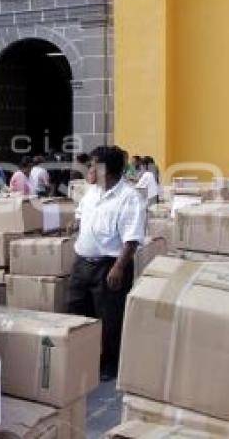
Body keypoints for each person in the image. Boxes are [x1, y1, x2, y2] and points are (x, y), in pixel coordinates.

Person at [67, 145, 145, 381]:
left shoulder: (129, 198)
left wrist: (119, 267)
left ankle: (110, 364)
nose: (88, 169)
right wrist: (76, 223)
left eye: (92, 165)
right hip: (82, 263)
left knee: (110, 318)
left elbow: (131, 239)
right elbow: (81, 213)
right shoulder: (92, 192)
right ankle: (82, 358)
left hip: (109, 265)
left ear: (106, 169)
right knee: (76, 312)